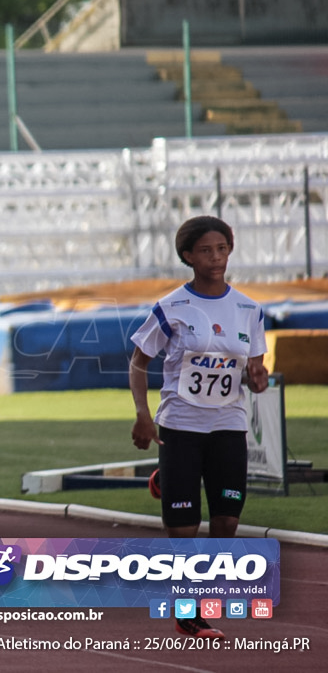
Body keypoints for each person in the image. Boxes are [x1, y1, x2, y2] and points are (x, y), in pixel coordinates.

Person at [128, 215, 268, 639]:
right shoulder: (171, 307)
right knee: (184, 529)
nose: (216, 258)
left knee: (226, 523)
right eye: (206, 251)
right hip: (181, 426)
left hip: (228, 424)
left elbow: (255, 369)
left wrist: (256, 378)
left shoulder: (249, 309)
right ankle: (188, 612)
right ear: (188, 256)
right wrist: (142, 414)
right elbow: (138, 362)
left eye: (222, 249)